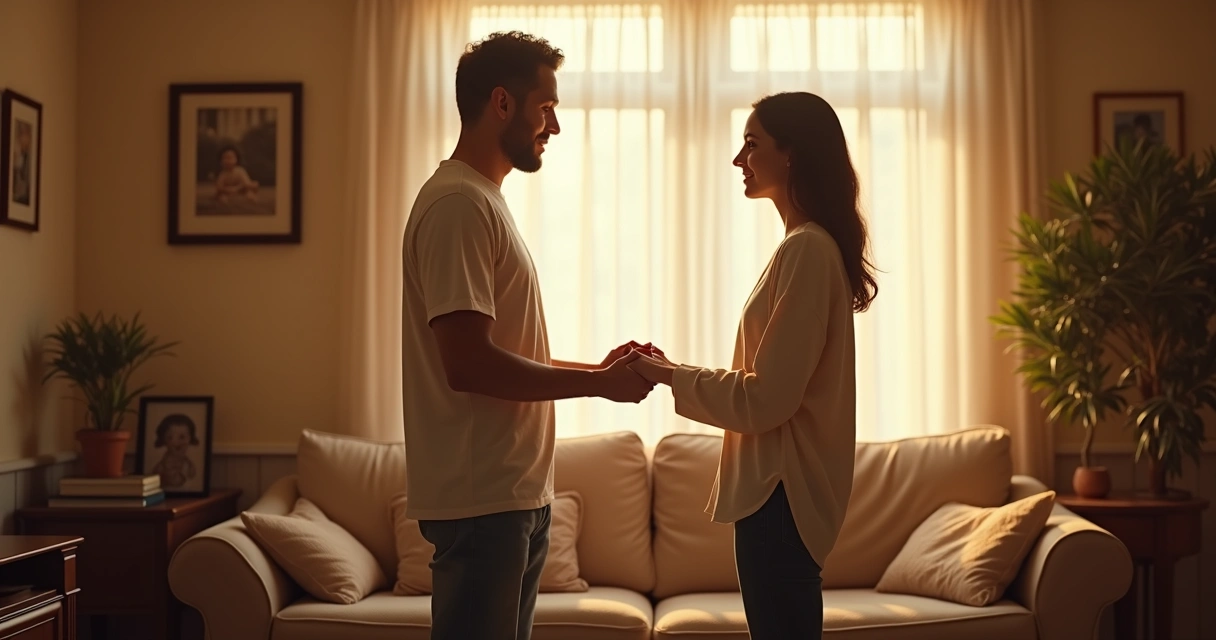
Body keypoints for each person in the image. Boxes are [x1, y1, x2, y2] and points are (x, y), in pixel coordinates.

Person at [399, 31, 656, 640]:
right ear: (502, 104)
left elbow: (499, 353)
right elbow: (468, 365)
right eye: (548, 107)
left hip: (511, 498)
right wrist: (598, 384)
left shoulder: (481, 199)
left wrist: (599, 369)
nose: (555, 126)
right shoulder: (458, 204)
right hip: (482, 501)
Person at [629, 91, 878, 640]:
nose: (739, 160)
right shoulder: (803, 247)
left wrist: (670, 374)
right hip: (778, 499)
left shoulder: (807, 251)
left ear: (791, 155)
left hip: (779, 499)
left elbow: (767, 399)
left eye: (751, 144)